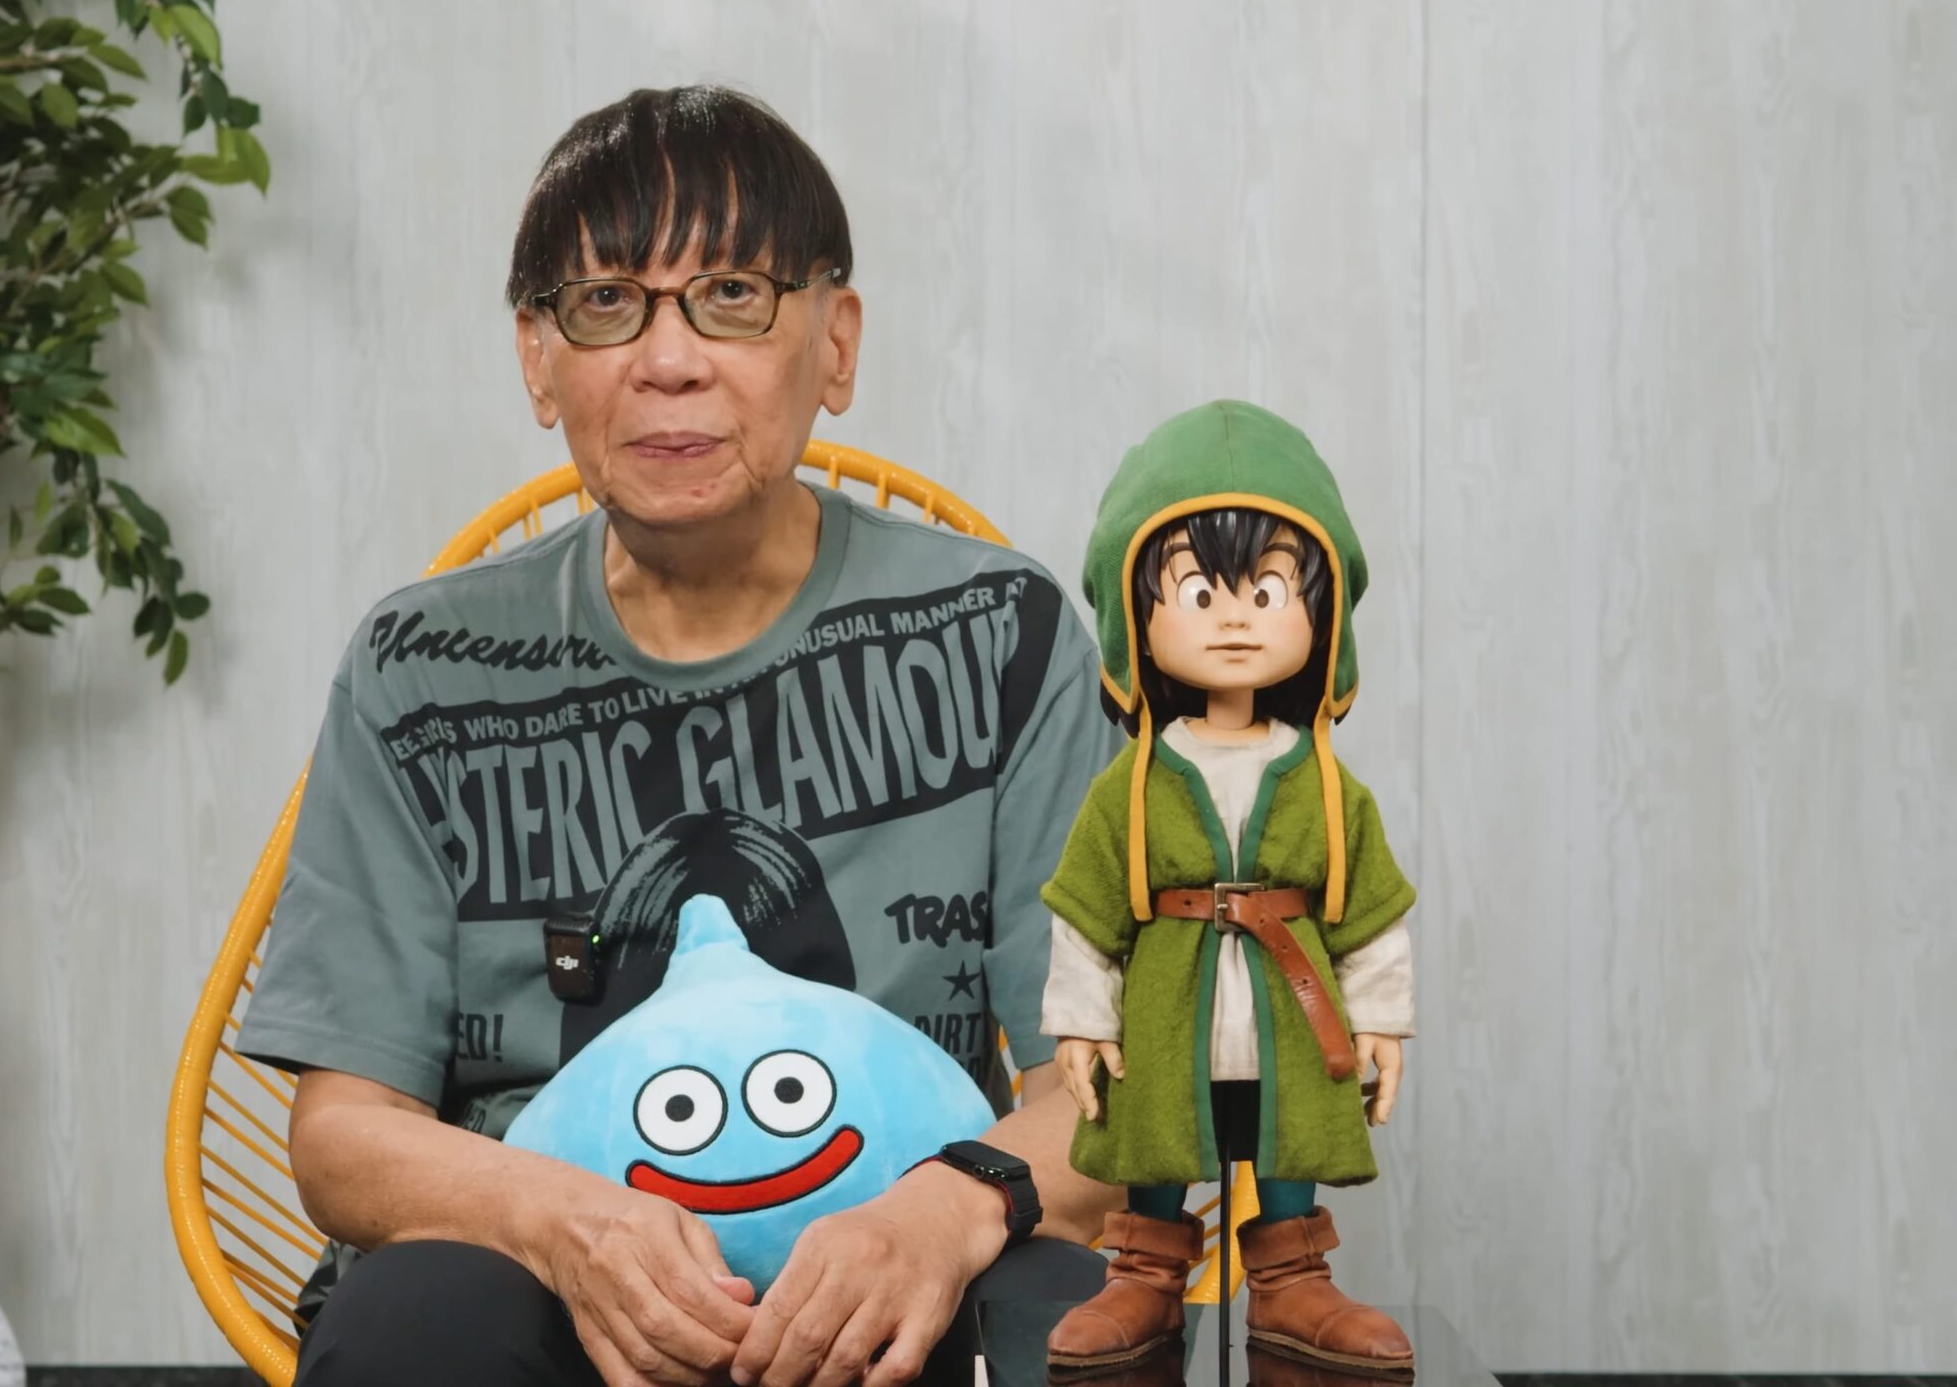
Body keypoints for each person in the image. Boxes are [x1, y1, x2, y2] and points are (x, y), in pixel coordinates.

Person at [236, 85, 1119, 1387]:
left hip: (901, 1263)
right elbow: (342, 1134)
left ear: (836, 344)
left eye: (733, 297)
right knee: (410, 1327)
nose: (668, 361)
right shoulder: (422, 670)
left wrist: (941, 1211)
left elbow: (1097, 1093)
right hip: (538, 1281)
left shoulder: (999, 636)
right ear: (538, 359)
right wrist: (565, 1222)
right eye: (606, 304)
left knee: (1076, 1326)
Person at [1037, 401, 1419, 1376]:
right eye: (1200, 593)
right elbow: (1088, 916)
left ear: (1322, 615)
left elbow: (1369, 914)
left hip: (1291, 1003)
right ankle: (1143, 1279)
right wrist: (1081, 1021)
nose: (1237, 618)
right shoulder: (1131, 785)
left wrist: (1380, 1017)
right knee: (1158, 1136)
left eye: (1271, 589)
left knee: (1285, 1135)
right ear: (1137, 620)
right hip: (1170, 1005)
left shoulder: (1326, 784)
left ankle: (1292, 1283)